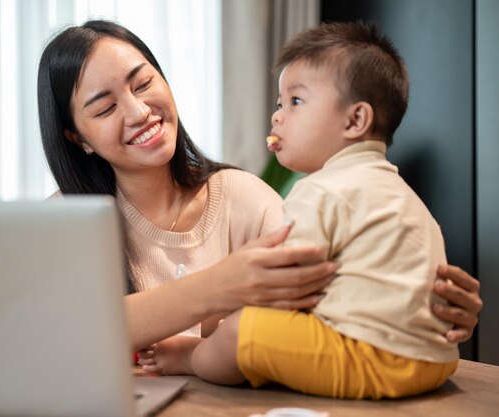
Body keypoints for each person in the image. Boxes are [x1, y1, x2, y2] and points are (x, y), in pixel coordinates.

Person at [36, 19, 482, 357]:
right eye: (105, 107)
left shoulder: (240, 197)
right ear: (77, 138)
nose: (137, 112)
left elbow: (333, 292)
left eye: (144, 82)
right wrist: (221, 285)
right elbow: (65, 334)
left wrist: (420, 299)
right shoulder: (63, 221)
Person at [138, 22, 479, 399]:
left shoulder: (322, 189)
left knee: (242, 332)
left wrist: (219, 331)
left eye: (296, 102)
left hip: (374, 357)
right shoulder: (397, 193)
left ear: (355, 120)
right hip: (437, 359)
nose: (277, 117)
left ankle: (192, 358)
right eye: (279, 104)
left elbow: (282, 287)